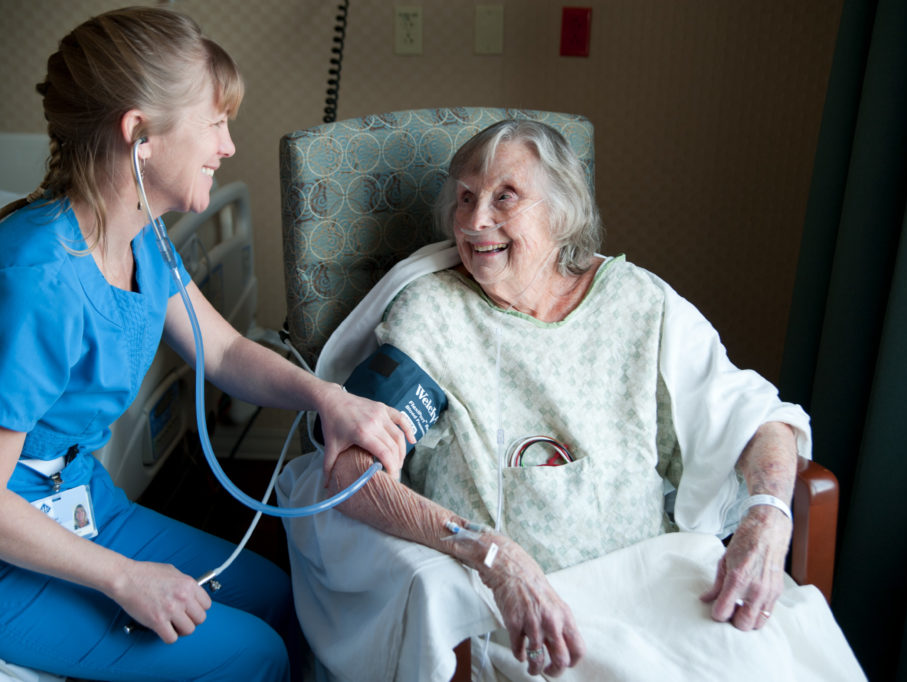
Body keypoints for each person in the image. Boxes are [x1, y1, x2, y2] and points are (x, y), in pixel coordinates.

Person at [0, 7, 412, 681]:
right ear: (139, 134)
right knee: (254, 655)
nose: (228, 145)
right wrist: (126, 580)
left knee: (281, 599)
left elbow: (227, 353)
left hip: (76, 501)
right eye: (214, 122)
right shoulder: (30, 287)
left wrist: (329, 399)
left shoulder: (138, 235)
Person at [282, 119, 864, 680]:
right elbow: (351, 469)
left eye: (505, 196)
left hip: (657, 581)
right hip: (515, 608)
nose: (475, 220)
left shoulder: (639, 302)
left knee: (758, 662)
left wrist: (769, 515)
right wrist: (494, 556)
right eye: (463, 198)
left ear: (562, 213)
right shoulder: (433, 315)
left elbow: (759, 417)